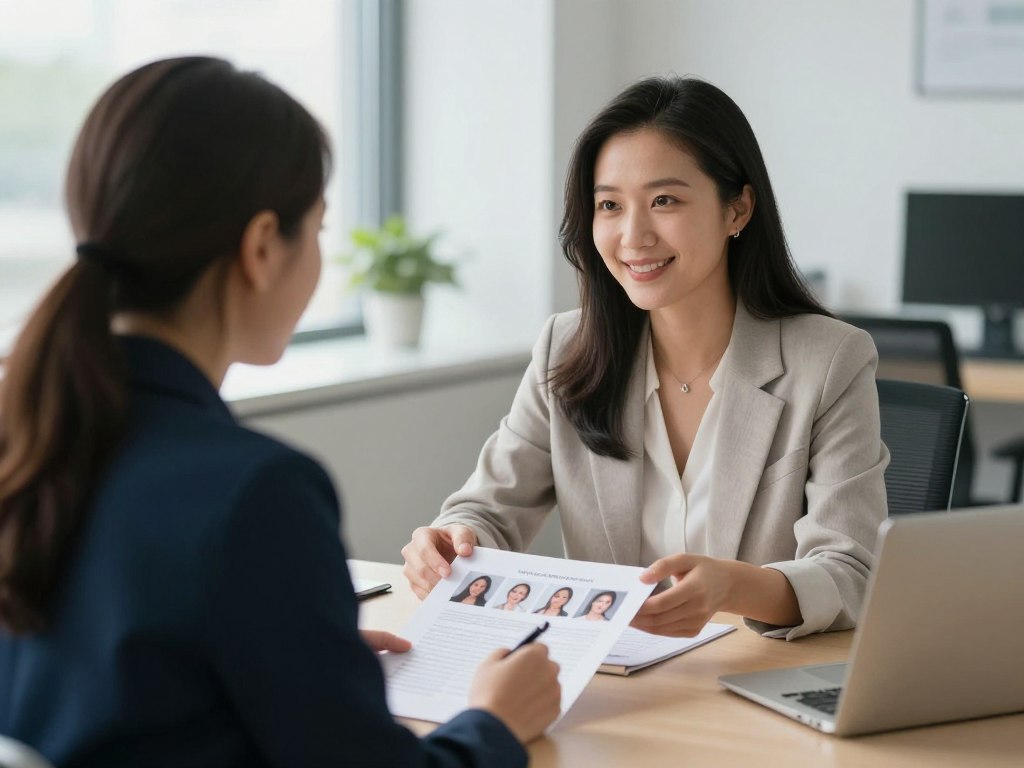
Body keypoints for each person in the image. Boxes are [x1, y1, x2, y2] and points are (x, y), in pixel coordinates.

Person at [0, 57, 560, 768]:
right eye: (318, 229)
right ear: (263, 246)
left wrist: (304, 662)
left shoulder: (31, 436)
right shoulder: (254, 493)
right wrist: (494, 722)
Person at [402, 76, 888, 641]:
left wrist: (733, 587)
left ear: (737, 209)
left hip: (751, 675)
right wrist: (451, 540)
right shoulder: (567, 348)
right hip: (609, 676)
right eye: (609, 205)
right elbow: (488, 510)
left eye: (664, 201)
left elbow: (851, 573)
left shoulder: (829, 361)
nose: (633, 236)